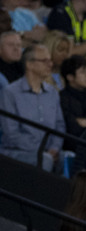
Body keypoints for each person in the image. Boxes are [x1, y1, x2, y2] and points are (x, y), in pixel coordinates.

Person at [0, 44, 64, 172]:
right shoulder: (10, 93)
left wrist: (54, 148)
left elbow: (59, 125)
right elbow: (11, 133)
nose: (50, 64)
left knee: (68, 157)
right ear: (29, 64)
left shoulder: (52, 93)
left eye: (50, 60)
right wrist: (41, 148)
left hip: (47, 151)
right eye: (45, 61)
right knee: (45, 159)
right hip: (17, 151)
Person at [59, 55, 86, 151]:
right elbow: (70, 126)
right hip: (71, 148)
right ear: (70, 77)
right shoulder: (61, 99)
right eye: (83, 72)